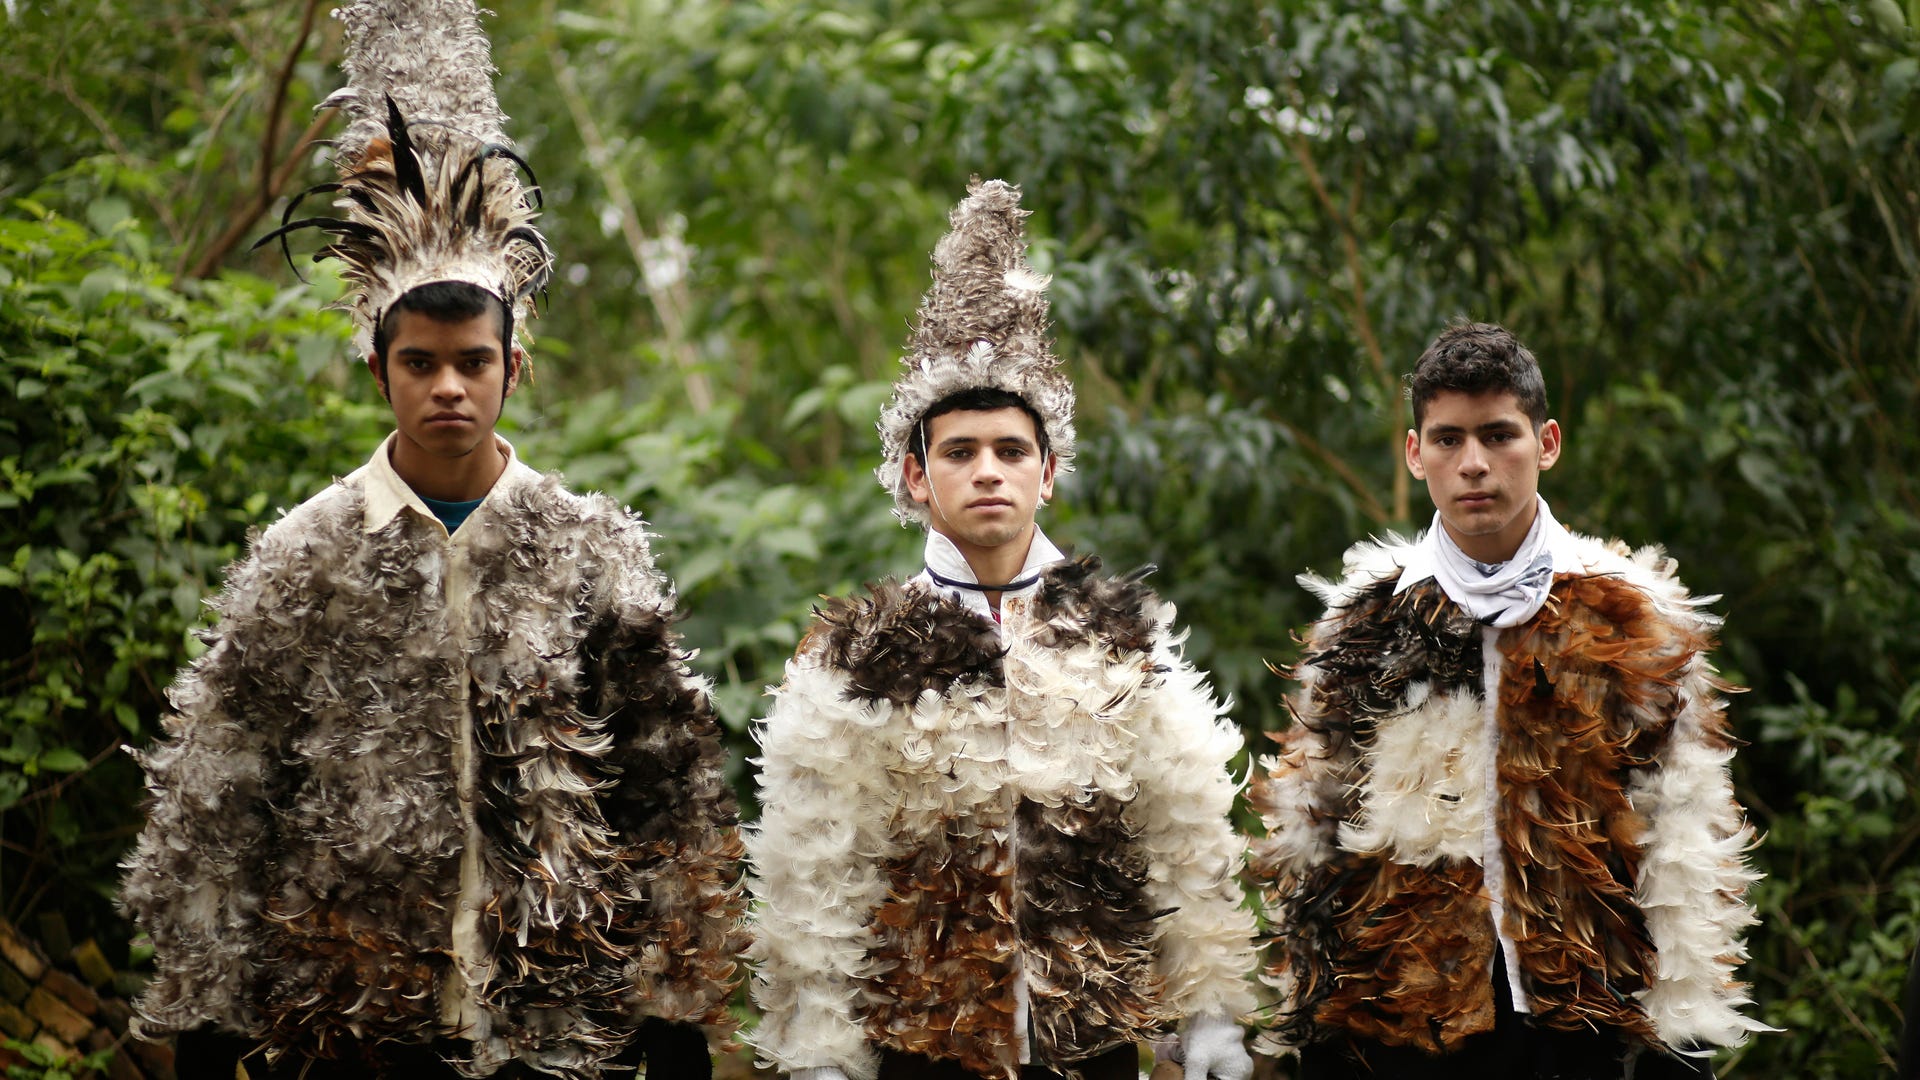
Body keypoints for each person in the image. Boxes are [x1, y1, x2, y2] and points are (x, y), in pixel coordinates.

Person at [117, 2, 746, 1076]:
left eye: (472, 361)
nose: (448, 386)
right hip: (354, 1018)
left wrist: (675, 1008)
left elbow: (667, 779)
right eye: (420, 363)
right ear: (380, 369)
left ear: (513, 367)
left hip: (552, 1023)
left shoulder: (586, 549)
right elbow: (222, 784)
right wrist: (206, 1015)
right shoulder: (306, 557)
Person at [746, 179, 1256, 1080]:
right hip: (922, 1045)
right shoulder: (856, 656)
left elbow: (1183, 836)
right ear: (915, 476)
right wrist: (820, 1053)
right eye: (960, 451)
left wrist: (1211, 1012)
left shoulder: (1119, 639)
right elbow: (813, 874)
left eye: (1011, 450)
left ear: (1047, 473)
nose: (988, 471)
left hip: (1090, 1042)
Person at [1247, 322, 1771, 1079]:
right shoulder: (1362, 624)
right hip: (1403, 1024)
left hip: (1582, 1021)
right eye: (1448, 439)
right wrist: (1314, 1024)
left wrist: (1684, 1031)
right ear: (1414, 453)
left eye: (1498, 435)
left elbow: (1683, 824)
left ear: (1546, 442)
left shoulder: (1631, 615)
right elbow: (1312, 829)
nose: (1474, 463)